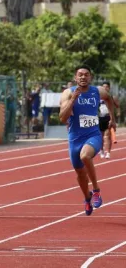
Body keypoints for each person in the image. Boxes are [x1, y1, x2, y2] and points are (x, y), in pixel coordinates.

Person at [59, 65, 116, 216]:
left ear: (90, 77)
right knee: (80, 174)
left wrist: (112, 118)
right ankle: (87, 198)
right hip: (75, 139)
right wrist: (73, 100)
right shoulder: (67, 93)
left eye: (86, 75)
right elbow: (62, 117)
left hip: (93, 135)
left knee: (85, 156)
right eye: (80, 75)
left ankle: (96, 190)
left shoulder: (97, 91)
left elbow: (109, 99)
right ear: (75, 77)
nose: (83, 77)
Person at [98, 82, 120, 159]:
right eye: (103, 87)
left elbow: (117, 106)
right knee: (100, 136)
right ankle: (101, 151)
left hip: (108, 118)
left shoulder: (112, 97)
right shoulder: (98, 97)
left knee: (107, 136)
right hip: (100, 118)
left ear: (109, 88)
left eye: (106, 87)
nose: (105, 88)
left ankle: (108, 152)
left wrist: (118, 112)